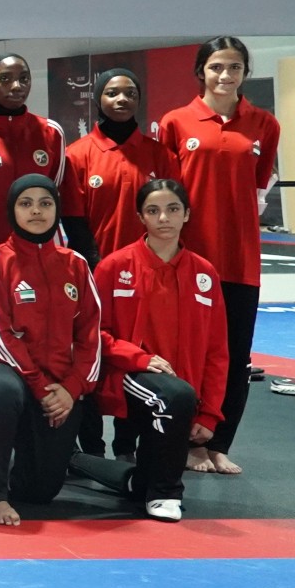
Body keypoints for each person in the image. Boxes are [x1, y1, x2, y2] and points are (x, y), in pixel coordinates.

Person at [154, 35, 278, 475]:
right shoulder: (175, 122)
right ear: (201, 71)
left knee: (236, 356)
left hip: (241, 260)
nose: (226, 75)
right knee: (189, 354)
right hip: (190, 259)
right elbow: (167, 196)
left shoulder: (264, 124)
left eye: (235, 67)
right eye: (217, 67)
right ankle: (188, 443)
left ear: (245, 73)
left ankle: (219, 444)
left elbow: (257, 188)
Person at [74, 179, 226, 523]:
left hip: (181, 391)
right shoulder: (114, 266)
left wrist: (210, 413)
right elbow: (93, 333)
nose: (164, 218)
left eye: (173, 209)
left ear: (187, 214)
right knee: (174, 397)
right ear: (141, 217)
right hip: (126, 376)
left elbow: (217, 351)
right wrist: (140, 358)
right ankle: (167, 492)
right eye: (153, 210)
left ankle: (106, 471)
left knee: (140, 480)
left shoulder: (205, 273)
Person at [0, 176, 102, 526]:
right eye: (25, 203)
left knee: (39, 491)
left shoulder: (76, 264)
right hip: (6, 372)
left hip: (59, 386)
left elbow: (90, 334)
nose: (36, 211)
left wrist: (71, 389)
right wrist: (41, 387)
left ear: (57, 210)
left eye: (45, 203)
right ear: (12, 210)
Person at [60, 67, 166, 266]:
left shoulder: (161, 154)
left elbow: (171, 215)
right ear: (98, 99)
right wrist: (96, 265)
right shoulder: (75, 155)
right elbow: (74, 220)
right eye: (112, 93)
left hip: (152, 266)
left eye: (130, 94)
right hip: (98, 268)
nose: (122, 99)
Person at [0, 52, 63, 254]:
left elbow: (56, 192)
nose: (16, 86)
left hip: (41, 251)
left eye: (24, 78)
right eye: (5, 78)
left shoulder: (51, 132)